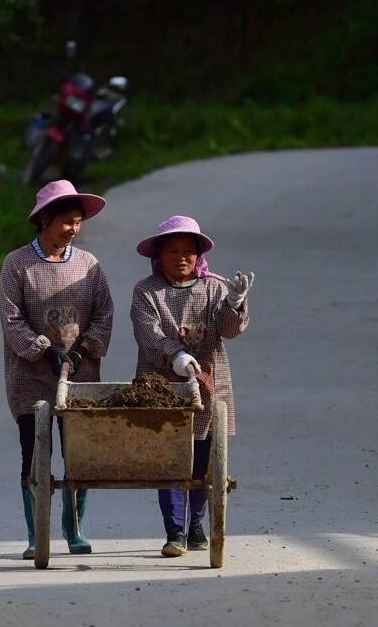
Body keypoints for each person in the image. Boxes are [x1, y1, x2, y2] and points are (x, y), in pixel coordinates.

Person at [0, 179, 114, 559]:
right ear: (44, 218)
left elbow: (103, 315)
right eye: (66, 221)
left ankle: (73, 527)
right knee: (34, 454)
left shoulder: (89, 265)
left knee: (78, 455)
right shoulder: (17, 265)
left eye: (78, 222)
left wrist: (81, 352)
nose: (73, 230)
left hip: (79, 377)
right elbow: (12, 320)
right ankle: (36, 534)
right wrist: (45, 351)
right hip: (31, 376)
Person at [130, 215, 253, 557]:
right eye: (172, 250)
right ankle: (174, 531)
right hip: (161, 387)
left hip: (209, 386)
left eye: (189, 251)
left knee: (203, 459)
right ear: (159, 255)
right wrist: (176, 356)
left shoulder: (214, 288)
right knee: (169, 459)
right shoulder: (146, 292)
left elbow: (229, 330)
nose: (181, 257)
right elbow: (148, 335)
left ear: (199, 256)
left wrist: (234, 304)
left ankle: (196, 522)